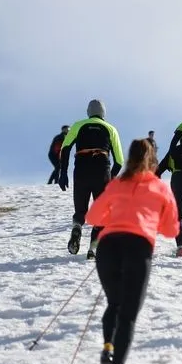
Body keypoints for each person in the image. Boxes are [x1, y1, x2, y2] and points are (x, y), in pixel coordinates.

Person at [85, 138, 178, 364]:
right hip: (138, 246)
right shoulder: (160, 187)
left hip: (107, 246)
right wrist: (150, 220)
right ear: (152, 159)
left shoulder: (117, 184)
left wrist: (114, 215)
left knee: (114, 303)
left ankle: (108, 346)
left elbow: (92, 216)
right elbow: (171, 230)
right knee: (128, 314)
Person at [59, 99, 124, 259]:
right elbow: (120, 161)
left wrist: (63, 173)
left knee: (80, 210)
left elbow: (65, 148)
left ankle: (77, 228)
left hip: (81, 168)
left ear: (88, 112)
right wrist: (111, 178)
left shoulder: (78, 125)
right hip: (101, 169)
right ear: (104, 113)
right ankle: (92, 250)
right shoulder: (111, 129)